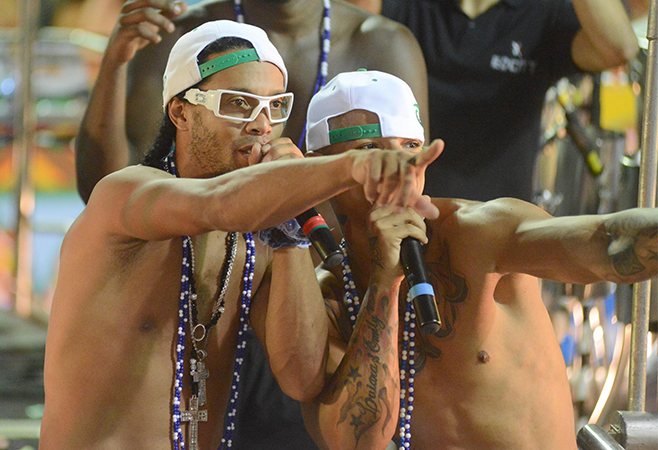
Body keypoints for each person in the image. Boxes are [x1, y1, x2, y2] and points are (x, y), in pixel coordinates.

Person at [39, 23, 442, 450]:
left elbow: (301, 377)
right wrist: (353, 166)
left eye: (274, 107)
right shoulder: (125, 194)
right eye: (238, 104)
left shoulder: (257, 241)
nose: (261, 124)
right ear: (181, 112)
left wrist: (291, 235)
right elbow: (215, 204)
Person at [300, 70, 658, 450]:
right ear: (316, 167)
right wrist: (385, 281)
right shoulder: (327, 296)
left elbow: (607, 244)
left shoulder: (478, 233)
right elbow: (353, 441)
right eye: (370, 150)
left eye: (408, 147)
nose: (398, 167)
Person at [74, 0, 430, 202]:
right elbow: (103, 189)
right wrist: (115, 62)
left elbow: (412, 182)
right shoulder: (181, 37)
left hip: (333, 287)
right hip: (202, 286)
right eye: (238, 102)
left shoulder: (384, 43)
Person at [378, 0, 640, 202]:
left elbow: (620, 48)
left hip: (500, 236)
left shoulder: (542, 11)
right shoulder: (407, 5)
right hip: (404, 218)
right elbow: (351, 28)